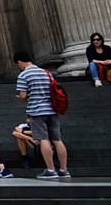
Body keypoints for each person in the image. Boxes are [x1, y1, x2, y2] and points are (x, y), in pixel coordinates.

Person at [14, 50, 70, 180]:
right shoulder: (46, 73)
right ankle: (64, 169)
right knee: (57, 139)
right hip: (52, 109)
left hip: (36, 111)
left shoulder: (24, 75)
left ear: (19, 62)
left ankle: (50, 170)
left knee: (44, 139)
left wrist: (22, 96)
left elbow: (22, 95)